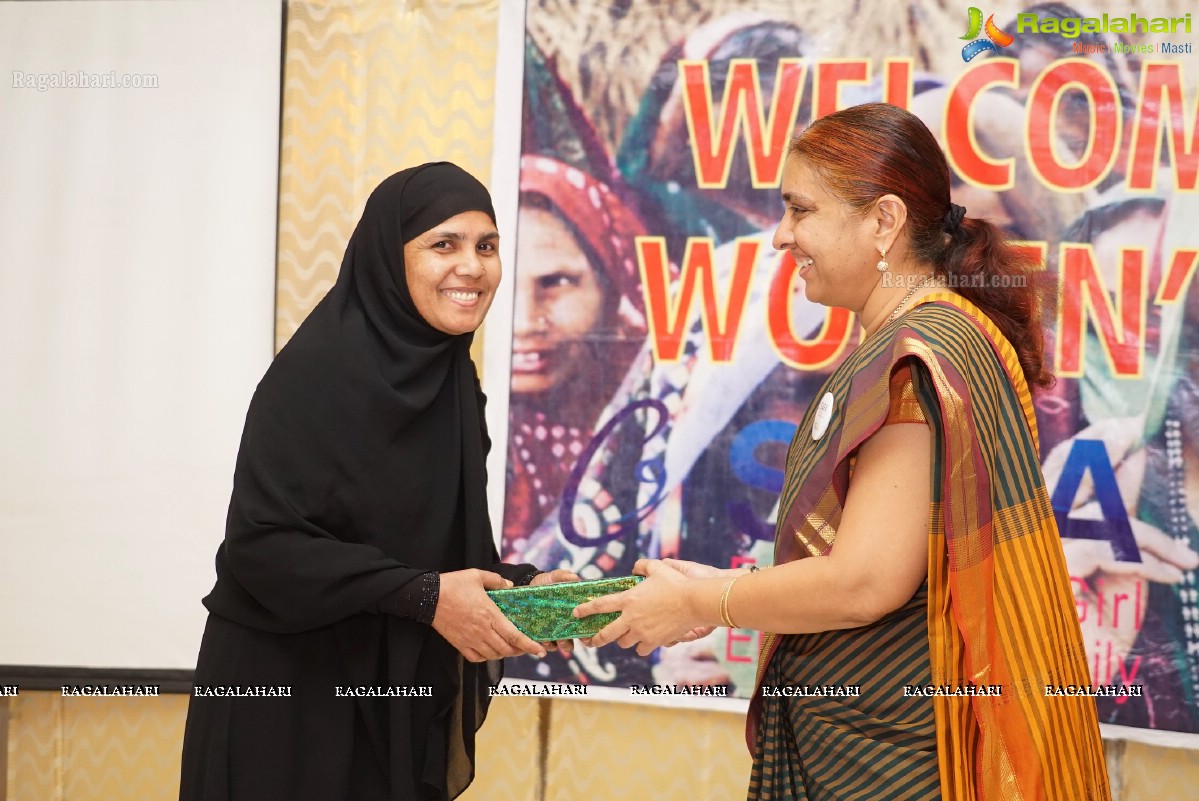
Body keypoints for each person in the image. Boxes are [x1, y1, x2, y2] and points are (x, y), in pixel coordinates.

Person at [577, 104, 1111, 799]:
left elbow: (865, 582)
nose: (780, 235)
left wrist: (700, 601)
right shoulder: (920, 338)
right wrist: (698, 589)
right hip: (871, 732)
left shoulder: (922, 353)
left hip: (892, 759)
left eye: (800, 210)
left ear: (883, 221)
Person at [179, 162, 574, 801]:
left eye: (487, 245)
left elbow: (437, 556)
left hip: (390, 693)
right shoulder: (315, 374)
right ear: (389, 260)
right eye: (442, 244)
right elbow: (262, 548)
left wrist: (525, 590)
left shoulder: (451, 383)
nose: (472, 267)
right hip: (288, 703)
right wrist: (426, 597)